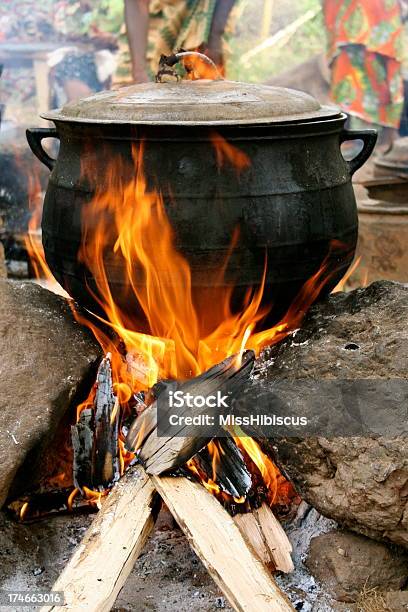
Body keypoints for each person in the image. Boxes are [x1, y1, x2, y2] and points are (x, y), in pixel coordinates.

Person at [323, 0, 406, 143]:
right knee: (361, 89)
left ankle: (363, 141)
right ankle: (363, 142)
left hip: (357, 36)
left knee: (362, 88)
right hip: (363, 35)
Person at [124, 0, 238, 83]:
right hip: (153, 22)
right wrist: (139, 72)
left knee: (206, 88)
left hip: (210, 19)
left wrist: (214, 37)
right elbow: (136, 3)